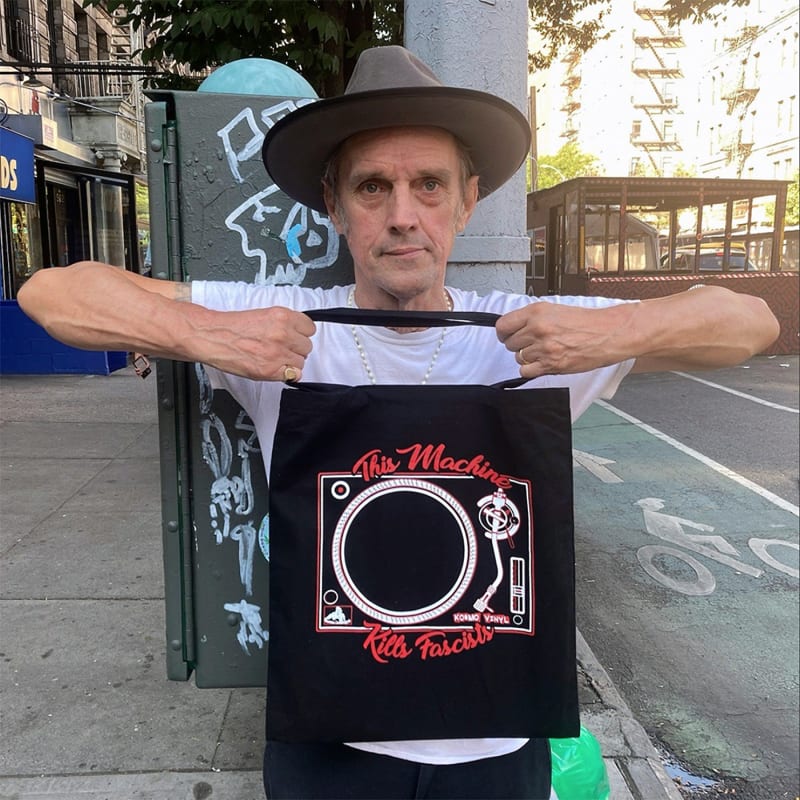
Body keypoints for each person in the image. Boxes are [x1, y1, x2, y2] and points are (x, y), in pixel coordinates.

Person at [18, 45, 779, 800]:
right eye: (373, 187)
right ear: (334, 203)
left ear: (467, 200)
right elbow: (54, 294)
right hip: (331, 741)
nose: (403, 216)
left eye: (429, 185)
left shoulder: (528, 329)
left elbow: (749, 321)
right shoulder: (283, 325)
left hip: (498, 740)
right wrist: (205, 335)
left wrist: (612, 336)